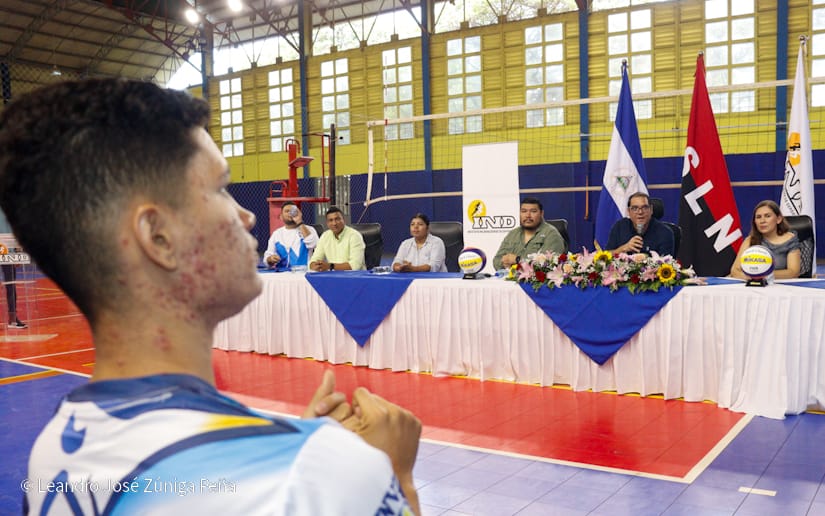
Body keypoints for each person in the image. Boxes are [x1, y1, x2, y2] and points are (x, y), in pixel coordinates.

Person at [0, 79, 420, 514]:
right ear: (158, 237)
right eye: (221, 189)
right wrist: (394, 477)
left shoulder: (53, 452)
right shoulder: (323, 476)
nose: (247, 215)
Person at [730, 200, 801, 280]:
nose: (762, 221)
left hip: (782, 287)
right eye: (758, 217)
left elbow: (793, 272)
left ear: (778, 219)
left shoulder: (790, 240)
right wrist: (751, 277)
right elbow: (735, 271)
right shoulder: (750, 240)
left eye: (767, 216)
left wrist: (763, 275)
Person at [493, 197, 565, 270]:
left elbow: (548, 265)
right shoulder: (513, 233)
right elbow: (496, 261)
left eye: (533, 211)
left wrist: (518, 260)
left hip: (536, 281)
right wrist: (504, 262)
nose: (528, 215)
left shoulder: (551, 234)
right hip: (510, 279)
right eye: (524, 211)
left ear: (541, 213)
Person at [606, 192, 675, 256]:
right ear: (629, 212)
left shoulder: (665, 232)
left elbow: (666, 263)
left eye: (644, 207)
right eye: (635, 208)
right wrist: (622, 249)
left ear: (651, 210)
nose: (640, 212)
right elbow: (606, 255)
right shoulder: (620, 227)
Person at [263, 201, 318, 271]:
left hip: (303, 273)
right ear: (281, 217)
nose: (290, 213)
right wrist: (270, 259)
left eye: (292, 211)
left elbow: (313, 244)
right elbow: (267, 258)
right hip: (281, 274)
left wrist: (299, 222)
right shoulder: (276, 234)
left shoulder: (309, 229)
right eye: (287, 211)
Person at [309, 206, 366, 271]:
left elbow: (355, 266)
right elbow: (313, 260)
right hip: (333, 277)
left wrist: (330, 266)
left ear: (344, 220)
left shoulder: (355, 236)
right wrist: (315, 265)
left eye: (337, 219)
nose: (334, 223)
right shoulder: (325, 236)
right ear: (327, 223)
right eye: (330, 220)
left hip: (354, 278)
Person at [0, 210, 26, 329]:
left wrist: (18, 254)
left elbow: (16, 232)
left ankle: (13, 319)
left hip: (7, 252)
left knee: (11, 286)